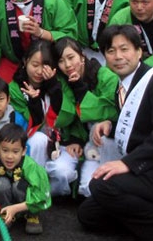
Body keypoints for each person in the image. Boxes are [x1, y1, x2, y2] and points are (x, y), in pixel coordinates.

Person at [77, 25, 153, 241]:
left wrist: (127, 164)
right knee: (88, 214)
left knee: (101, 186)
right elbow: (140, 125)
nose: (118, 57)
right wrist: (111, 126)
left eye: (124, 49)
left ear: (139, 51)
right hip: (148, 173)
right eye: (111, 51)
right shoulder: (123, 85)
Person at [8, 40, 84, 196]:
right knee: (38, 139)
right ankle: (34, 191)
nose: (39, 71)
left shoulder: (59, 81)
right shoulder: (15, 87)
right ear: (25, 62)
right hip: (29, 145)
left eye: (45, 65)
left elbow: (69, 116)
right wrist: (34, 102)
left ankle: (45, 192)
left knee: (63, 173)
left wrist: (53, 88)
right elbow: (26, 125)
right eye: (35, 65)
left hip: (59, 144)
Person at [0, 123, 51, 235]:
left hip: (24, 201)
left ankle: (30, 214)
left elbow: (40, 195)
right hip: (6, 198)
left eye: (15, 151)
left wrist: (16, 208)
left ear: (23, 151)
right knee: (0, 184)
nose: (9, 156)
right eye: (5, 150)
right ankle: (5, 212)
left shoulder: (30, 166)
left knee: (19, 186)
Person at [52, 37, 98, 197]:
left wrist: (80, 88)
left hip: (101, 143)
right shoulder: (62, 81)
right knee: (60, 172)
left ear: (82, 56)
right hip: (75, 143)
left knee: (92, 188)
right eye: (61, 61)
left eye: (71, 58)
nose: (68, 65)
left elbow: (98, 112)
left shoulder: (102, 74)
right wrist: (75, 139)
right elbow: (69, 116)